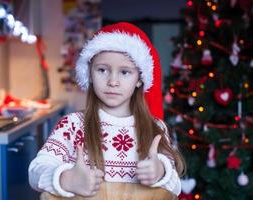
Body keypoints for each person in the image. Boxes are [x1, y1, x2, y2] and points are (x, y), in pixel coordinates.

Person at [28, 22, 185, 198]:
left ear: (140, 79)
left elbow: (176, 186)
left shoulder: (155, 127)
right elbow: (36, 170)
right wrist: (66, 179)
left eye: (125, 72)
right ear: (90, 74)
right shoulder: (72, 125)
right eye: (102, 70)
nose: (112, 81)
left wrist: (161, 171)